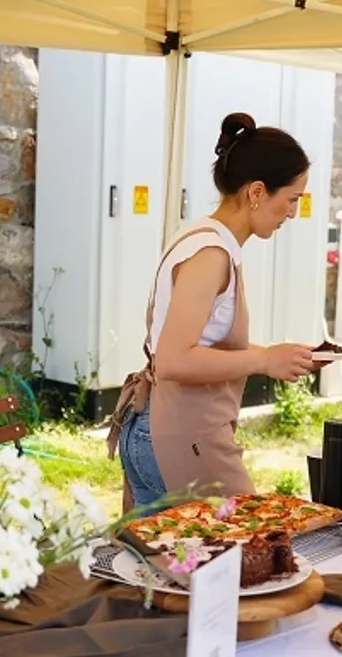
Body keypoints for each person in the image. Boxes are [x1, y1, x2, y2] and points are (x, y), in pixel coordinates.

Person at [108, 112, 316, 512]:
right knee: (245, 542)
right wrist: (262, 361)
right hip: (180, 432)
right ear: (257, 192)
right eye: (292, 199)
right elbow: (174, 359)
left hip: (159, 426)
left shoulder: (203, 237)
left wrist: (281, 356)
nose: (293, 212)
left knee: (164, 552)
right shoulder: (211, 254)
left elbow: (202, 344)